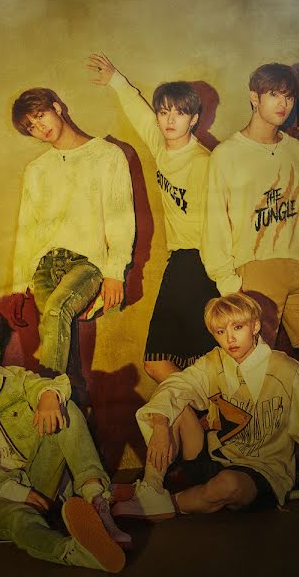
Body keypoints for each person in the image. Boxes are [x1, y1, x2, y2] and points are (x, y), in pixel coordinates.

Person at [0, 298, 129, 572]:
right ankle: (75, 552)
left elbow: (50, 385)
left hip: (37, 478)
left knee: (63, 408)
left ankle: (96, 501)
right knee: (19, 518)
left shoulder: (13, 378)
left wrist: (49, 395)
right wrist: (11, 489)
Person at [113, 293, 299, 518]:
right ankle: (151, 488)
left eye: (237, 327)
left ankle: (162, 504)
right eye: (220, 331)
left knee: (227, 484)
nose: (229, 339)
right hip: (215, 457)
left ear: (255, 326)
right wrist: (160, 425)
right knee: (171, 406)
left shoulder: (289, 371)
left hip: (262, 469)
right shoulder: (213, 361)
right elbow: (176, 386)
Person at [203, 63, 299, 394]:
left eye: (289, 97)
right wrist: (227, 280)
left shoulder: (297, 150)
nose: (283, 104)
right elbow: (214, 222)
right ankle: (260, 431)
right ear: (254, 98)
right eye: (274, 95)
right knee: (257, 369)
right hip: (257, 270)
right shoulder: (227, 154)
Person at [87, 52, 218, 383]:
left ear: (194, 119)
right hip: (180, 261)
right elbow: (139, 114)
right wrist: (116, 80)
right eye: (164, 112)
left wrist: (226, 280)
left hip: (205, 263)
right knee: (160, 364)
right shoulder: (162, 146)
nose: (170, 120)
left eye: (180, 113)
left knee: (199, 364)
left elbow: (223, 225)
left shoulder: (204, 163)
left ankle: (212, 415)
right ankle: (196, 416)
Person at [10, 87, 135, 393]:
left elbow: (120, 219)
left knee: (56, 312)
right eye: (31, 127)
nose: (40, 128)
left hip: (87, 263)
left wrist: (115, 272)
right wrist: (19, 284)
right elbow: (27, 229)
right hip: (44, 267)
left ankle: (47, 394)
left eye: (41, 116)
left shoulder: (107, 155)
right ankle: (71, 404)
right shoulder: (36, 170)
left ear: (57, 107)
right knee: (65, 353)